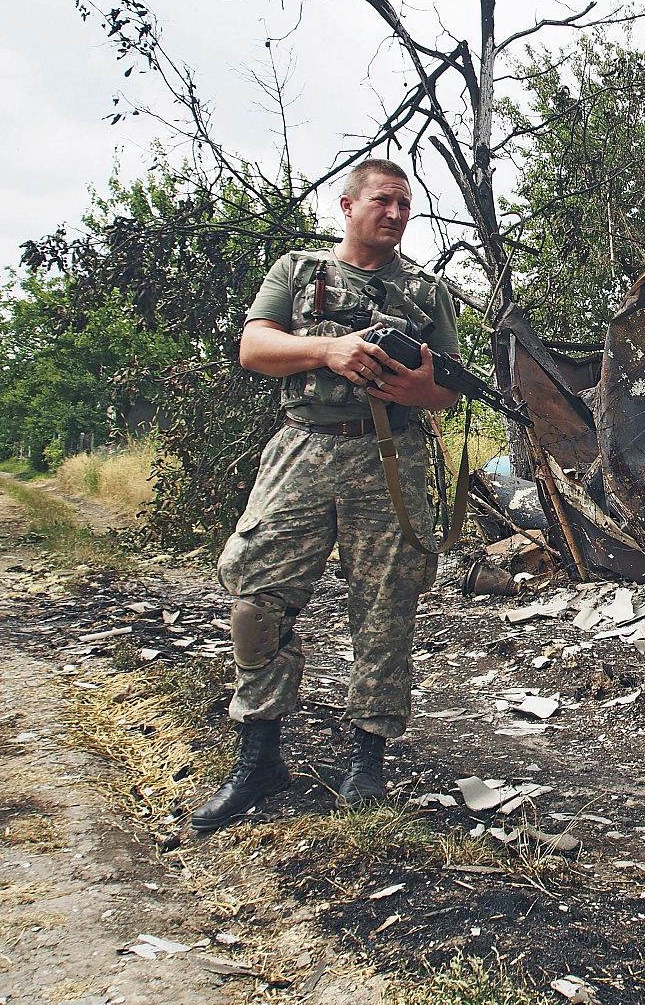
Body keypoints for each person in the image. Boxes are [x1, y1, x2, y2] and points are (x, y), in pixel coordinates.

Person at [191, 158, 459, 833]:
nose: (395, 214)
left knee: (386, 608)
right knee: (256, 599)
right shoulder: (298, 270)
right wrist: (330, 351)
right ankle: (258, 758)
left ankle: (365, 761)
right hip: (302, 446)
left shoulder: (427, 293)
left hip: (389, 458)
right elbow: (254, 346)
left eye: (406, 205)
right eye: (383, 201)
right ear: (348, 205)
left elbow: (449, 391)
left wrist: (413, 390)